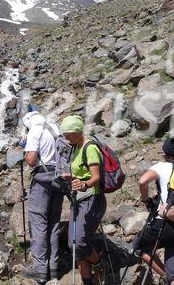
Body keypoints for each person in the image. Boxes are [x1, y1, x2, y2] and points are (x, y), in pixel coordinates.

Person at [135, 137, 174, 285]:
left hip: (164, 223)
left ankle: (165, 277)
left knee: (139, 246)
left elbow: (142, 181)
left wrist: (146, 200)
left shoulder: (162, 166)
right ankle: (172, 279)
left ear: (165, 154)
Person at [59, 115, 106, 285]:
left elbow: (95, 177)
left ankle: (100, 264)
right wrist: (71, 178)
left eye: (67, 134)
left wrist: (83, 184)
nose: (65, 138)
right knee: (74, 245)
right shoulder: (77, 146)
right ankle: (88, 281)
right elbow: (82, 173)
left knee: (78, 243)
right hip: (78, 200)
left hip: (92, 199)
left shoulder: (90, 148)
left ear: (76, 131)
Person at [21, 111, 64, 283]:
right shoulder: (54, 128)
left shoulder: (35, 130)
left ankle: (39, 271)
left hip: (42, 181)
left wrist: (24, 149)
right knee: (54, 224)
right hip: (59, 179)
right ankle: (53, 268)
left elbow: (31, 160)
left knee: (39, 224)